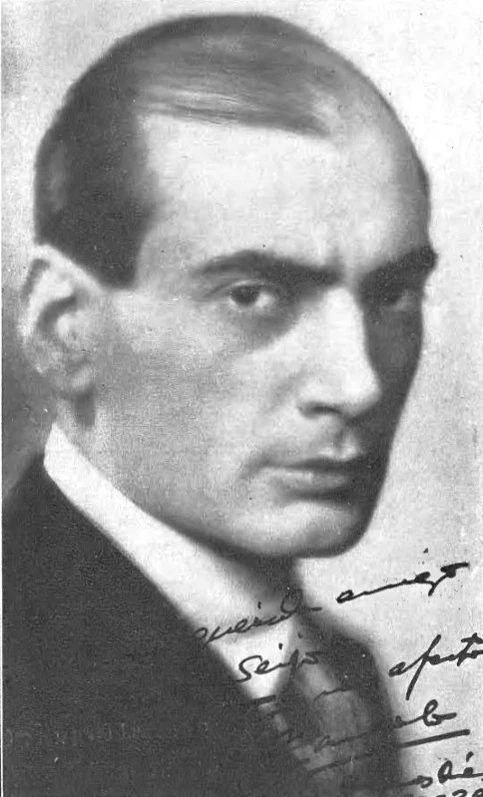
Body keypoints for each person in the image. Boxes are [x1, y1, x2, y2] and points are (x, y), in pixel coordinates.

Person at [3, 12, 437, 797]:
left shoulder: (336, 673)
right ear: (63, 328)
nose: (359, 384)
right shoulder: (20, 671)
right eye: (253, 294)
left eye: (391, 294)